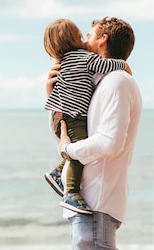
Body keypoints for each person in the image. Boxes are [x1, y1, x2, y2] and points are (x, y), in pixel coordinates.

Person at [46, 16, 142, 250]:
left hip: (95, 204)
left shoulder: (117, 81)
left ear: (102, 40)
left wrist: (68, 151)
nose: (83, 39)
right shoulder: (101, 82)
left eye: (89, 33)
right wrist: (53, 95)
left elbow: (110, 142)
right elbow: (74, 132)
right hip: (89, 203)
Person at [43, 18, 130, 214]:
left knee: (76, 145)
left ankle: (58, 172)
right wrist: (124, 65)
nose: (84, 40)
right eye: (82, 36)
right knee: (78, 148)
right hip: (73, 117)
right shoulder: (86, 59)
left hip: (62, 116)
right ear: (74, 39)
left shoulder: (64, 62)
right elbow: (110, 65)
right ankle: (71, 193)